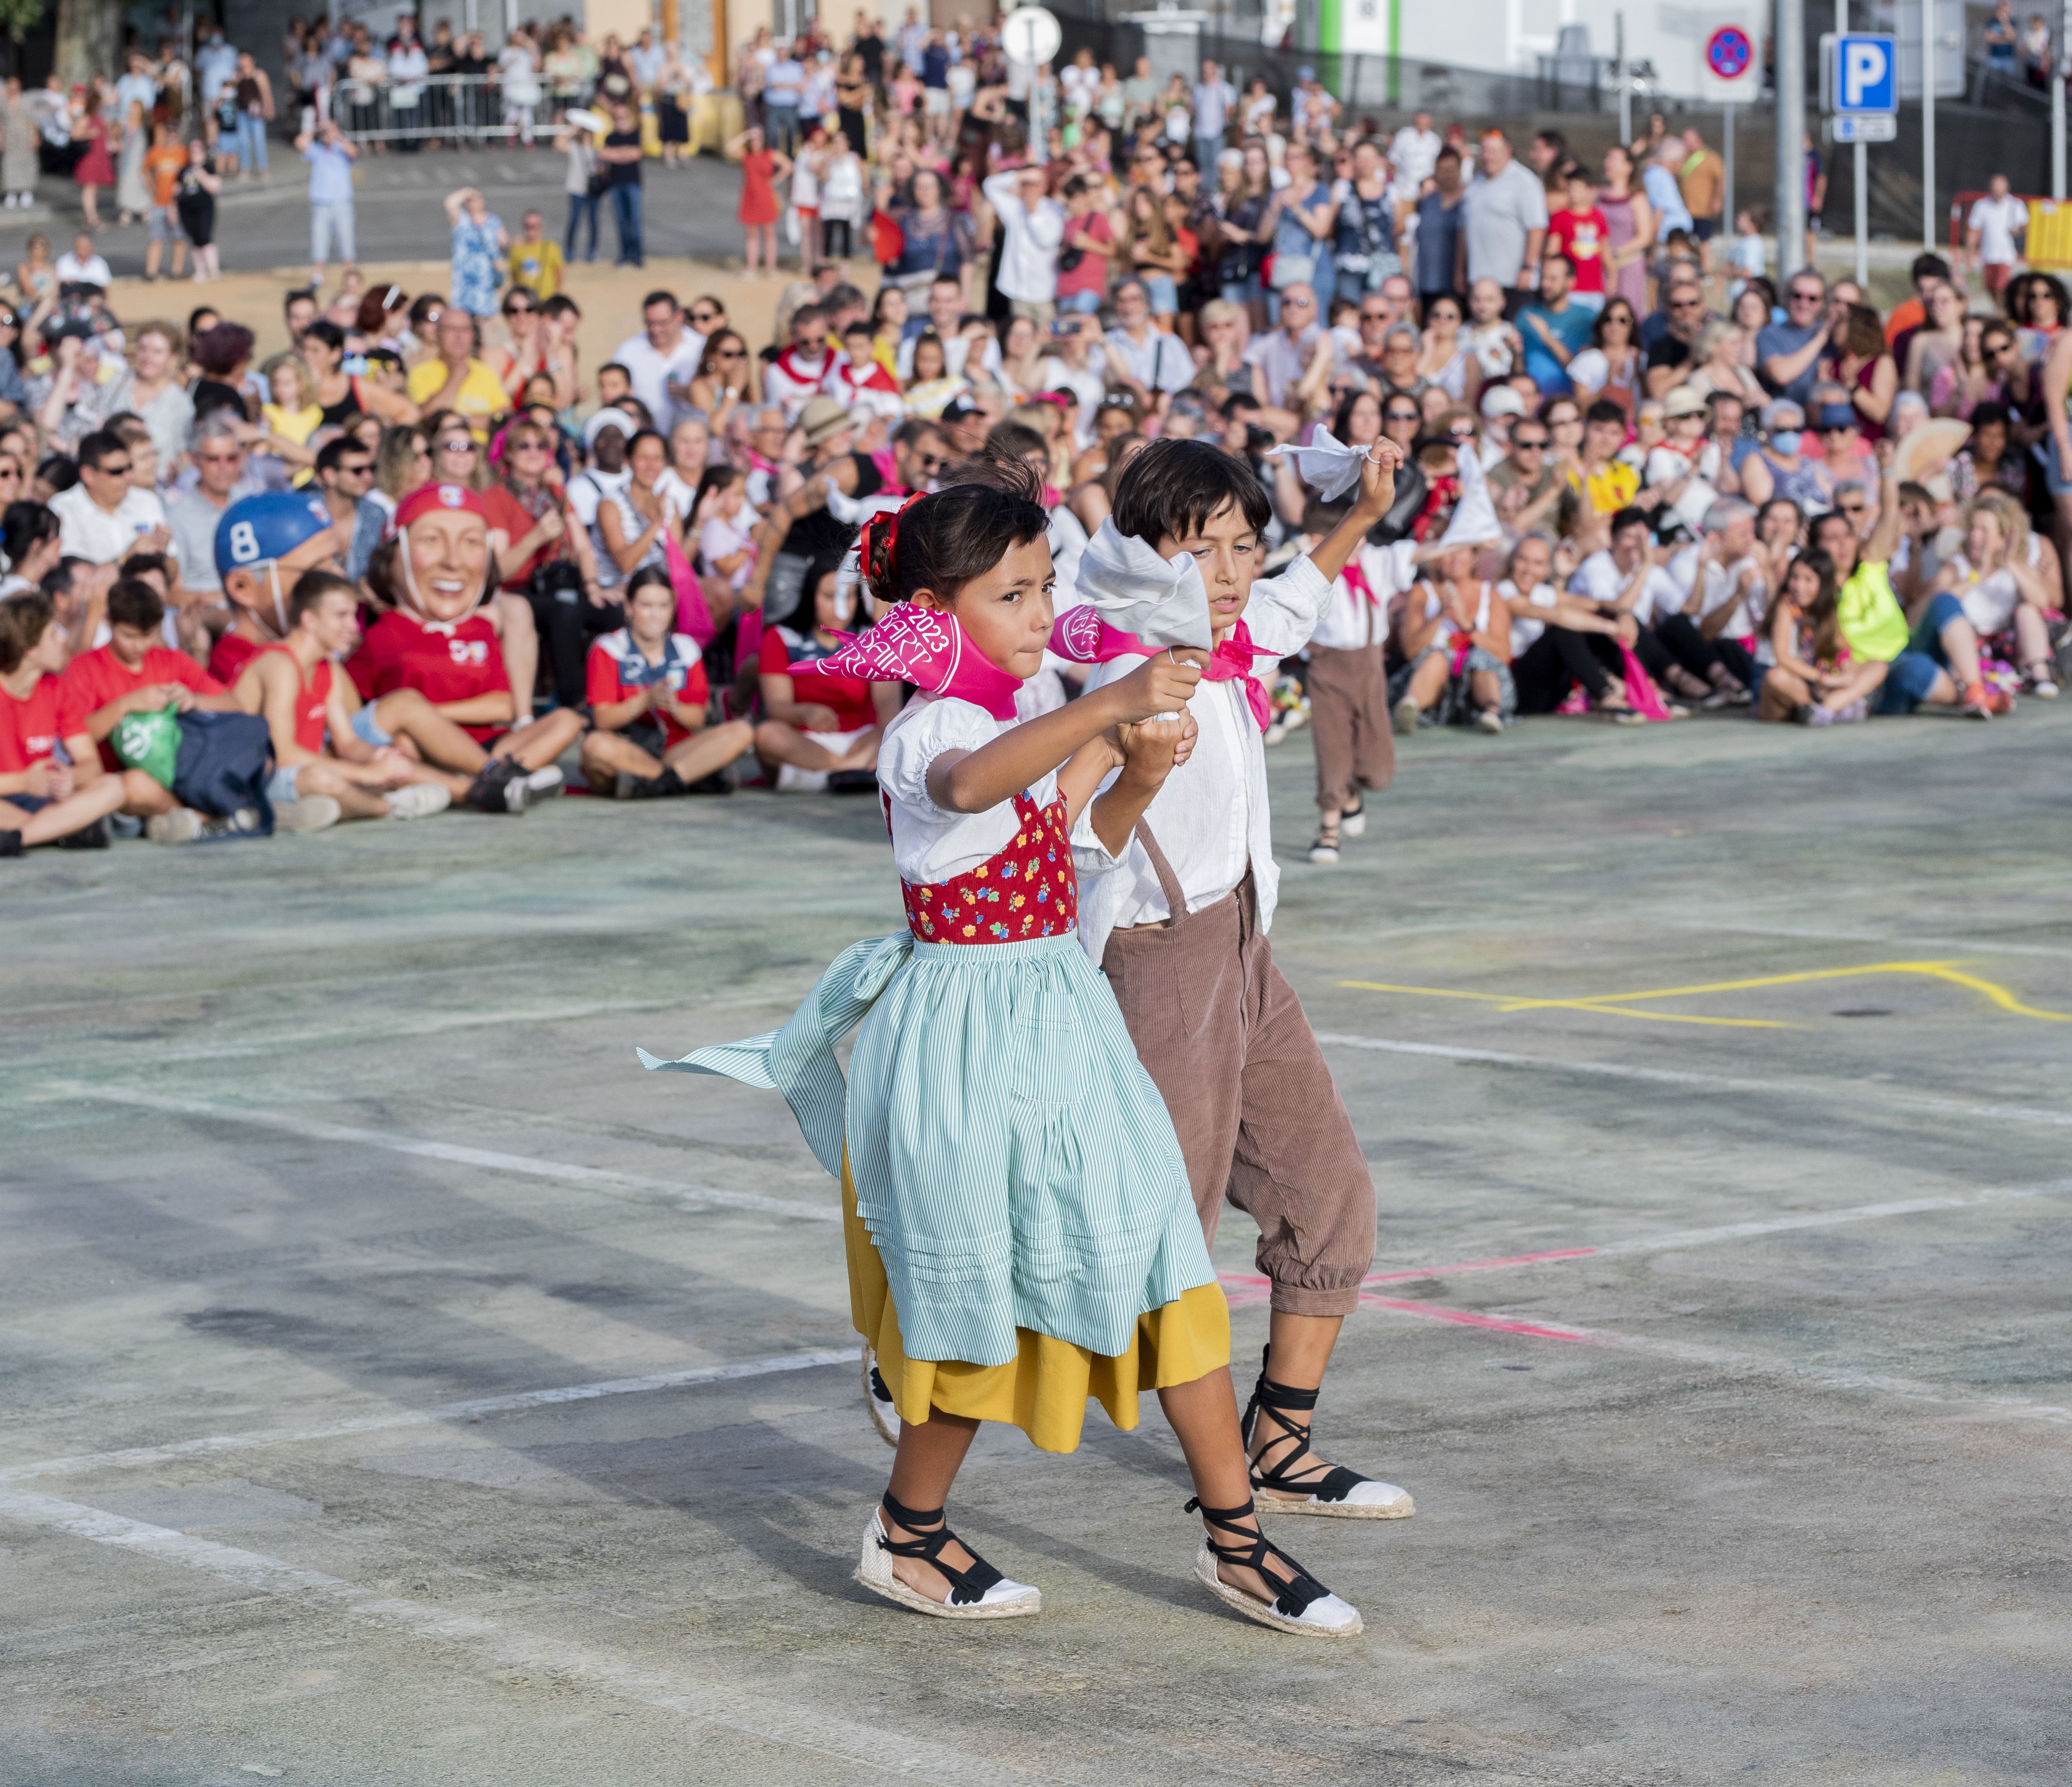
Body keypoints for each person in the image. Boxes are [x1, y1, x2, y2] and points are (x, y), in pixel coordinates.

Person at [646, 465, 1365, 1638]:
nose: (1044, 616)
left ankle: (1236, 1539)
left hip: (1060, 1018)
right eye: (1016, 594)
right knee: (984, 1307)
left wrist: (1132, 769)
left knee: (1165, 1270)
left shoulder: (1023, 720)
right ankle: (910, 1529)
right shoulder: (934, 730)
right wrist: (1107, 707)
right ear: (938, 614)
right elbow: (974, 784)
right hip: (967, 1037)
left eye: (1043, 589)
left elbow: (1080, 846)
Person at [1058, 430, 1416, 1517]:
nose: (1228, 571)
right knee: (1147, 1236)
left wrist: (1358, 513)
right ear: (1145, 551)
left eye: (1242, 544)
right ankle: (928, 1341)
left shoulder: (1230, 631)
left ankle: (1281, 1442)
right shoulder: (1109, 645)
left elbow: (1291, 600)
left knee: (1331, 1192)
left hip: (1246, 944)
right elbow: (1112, 585)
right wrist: (1148, 563)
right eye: (1201, 548)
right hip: (1156, 958)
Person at [348, 483, 583, 809]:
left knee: (567, 721)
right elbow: (360, 715)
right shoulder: (382, 635)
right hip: (423, 753)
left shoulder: (482, 629)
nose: (453, 561)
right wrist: (416, 723)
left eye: (471, 543)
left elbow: (503, 706)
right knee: (401, 744)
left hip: (489, 745)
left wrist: (426, 717)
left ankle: (489, 780)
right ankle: (499, 781)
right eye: (432, 540)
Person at [234, 568, 453, 825]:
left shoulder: (328, 667)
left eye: (354, 615)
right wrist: (366, 774)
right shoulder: (280, 664)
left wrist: (378, 757)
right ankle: (389, 808)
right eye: (342, 616)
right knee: (322, 780)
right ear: (309, 620)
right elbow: (283, 754)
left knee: (396, 754)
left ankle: (304, 812)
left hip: (293, 771)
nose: (354, 626)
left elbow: (347, 743)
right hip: (249, 780)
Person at [54, 575, 247, 842]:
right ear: (109, 623)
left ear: (159, 627)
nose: (139, 646)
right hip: (119, 781)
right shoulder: (84, 668)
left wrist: (194, 700)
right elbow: (74, 738)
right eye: (129, 636)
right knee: (134, 785)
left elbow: (235, 706)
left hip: (182, 772)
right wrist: (126, 705)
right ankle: (203, 820)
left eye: (148, 636)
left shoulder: (174, 662)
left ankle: (179, 819)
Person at [1821, 465, 2004, 718]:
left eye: (1847, 536)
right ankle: (1973, 699)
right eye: (1832, 538)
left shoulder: (1869, 567)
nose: (1842, 544)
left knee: (1944, 602)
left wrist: (1886, 468)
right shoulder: (1817, 590)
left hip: (1909, 646)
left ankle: (1975, 690)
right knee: (1915, 668)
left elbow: (1888, 516)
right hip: (1877, 678)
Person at [0, 590, 129, 851]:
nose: (63, 639)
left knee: (113, 787)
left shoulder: (57, 688)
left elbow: (91, 764)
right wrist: (23, 782)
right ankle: (63, 831)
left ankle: (21, 838)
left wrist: (70, 778)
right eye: (52, 634)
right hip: (7, 798)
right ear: (29, 651)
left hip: (46, 801)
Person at [1757, 548, 1885, 724]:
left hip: (1815, 683)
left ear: (1824, 584)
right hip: (1788, 685)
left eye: (1808, 580)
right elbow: (1782, 658)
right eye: (1794, 578)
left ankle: (1827, 709)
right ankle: (1831, 707)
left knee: (1878, 665)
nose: (1799, 586)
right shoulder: (1785, 607)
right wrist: (1826, 680)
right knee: (1776, 677)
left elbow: (1842, 646)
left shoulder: (1826, 610)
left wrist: (1846, 664)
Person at [1461, 130, 1547, 312]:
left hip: (1513, 281)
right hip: (1479, 283)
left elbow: (1536, 228)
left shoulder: (1525, 181)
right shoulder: (1475, 184)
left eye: (1493, 151)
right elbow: (1463, 229)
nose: (1487, 157)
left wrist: (1528, 268)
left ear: (1508, 151)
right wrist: (1459, 270)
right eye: (1484, 151)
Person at [612, 291, 704, 436]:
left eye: (662, 323)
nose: (656, 330)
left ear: (679, 317)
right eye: (650, 323)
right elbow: (614, 402)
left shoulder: (702, 349)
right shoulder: (628, 352)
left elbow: (719, 397)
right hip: (643, 445)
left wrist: (693, 394)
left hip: (692, 445)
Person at [982, 160, 1064, 323]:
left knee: (1048, 343)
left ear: (1044, 185)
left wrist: (1033, 214)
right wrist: (1019, 176)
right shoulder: (1014, 207)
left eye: (1036, 184)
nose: (1031, 189)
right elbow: (990, 186)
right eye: (1027, 184)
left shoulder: (1055, 209)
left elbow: (1048, 240)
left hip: (1044, 293)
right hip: (1017, 291)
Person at [405, 306, 508, 434]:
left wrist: (462, 420)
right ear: (438, 334)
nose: (459, 336)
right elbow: (428, 417)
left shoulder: (486, 372)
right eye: (451, 329)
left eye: (465, 329)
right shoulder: (420, 374)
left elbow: (504, 419)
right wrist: (457, 376)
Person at [1515, 254, 1592, 397]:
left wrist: (1547, 337)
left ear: (1570, 282)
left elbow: (1582, 371)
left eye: (1553, 279)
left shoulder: (1587, 317)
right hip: (1531, 402)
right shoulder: (1526, 314)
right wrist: (1516, 352)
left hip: (1569, 403)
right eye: (1543, 278)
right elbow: (1517, 371)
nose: (1545, 284)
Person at [296, 115, 357, 292]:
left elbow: (354, 152)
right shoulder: (316, 151)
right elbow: (300, 143)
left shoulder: (342, 149)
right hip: (321, 203)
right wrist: (317, 129)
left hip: (342, 202)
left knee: (346, 240)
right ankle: (317, 277)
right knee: (319, 240)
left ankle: (349, 279)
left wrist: (336, 136)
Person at [443, 186, 507, 317]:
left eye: (477, 198)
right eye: (470, 200)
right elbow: (449, 203)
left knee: (484, 318)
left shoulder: (493, 221)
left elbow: (504, 242)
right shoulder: (462, 219)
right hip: (464, 279)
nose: (474, 201)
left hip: (485, 278)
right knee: (462, 316)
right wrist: (467, 191)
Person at [1965, 174, 2029, 299]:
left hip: (2006, 254)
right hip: (1988, 254)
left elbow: (2025, 226)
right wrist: (1969, 255)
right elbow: (1974, 231)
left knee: (2002, 286)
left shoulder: (2016, 205)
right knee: (1990, 287)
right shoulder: (1982, 205)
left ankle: (2002, 312)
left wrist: (2017, 231)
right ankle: (2001, 310)